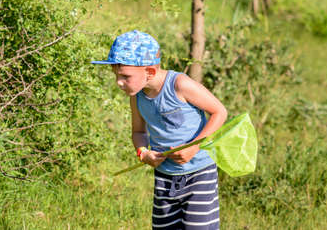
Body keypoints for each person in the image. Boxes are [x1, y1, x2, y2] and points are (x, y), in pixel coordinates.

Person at [92, 30, 227, 230]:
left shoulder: (180, 85)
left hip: (199, 174)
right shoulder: (137, 96)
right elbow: (138, 133)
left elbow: (219, 112)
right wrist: (143, 152)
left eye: (125, 76)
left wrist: (193, 148)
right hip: (165, 177)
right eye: (116, 76)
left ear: (150, 72)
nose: (119, 83)